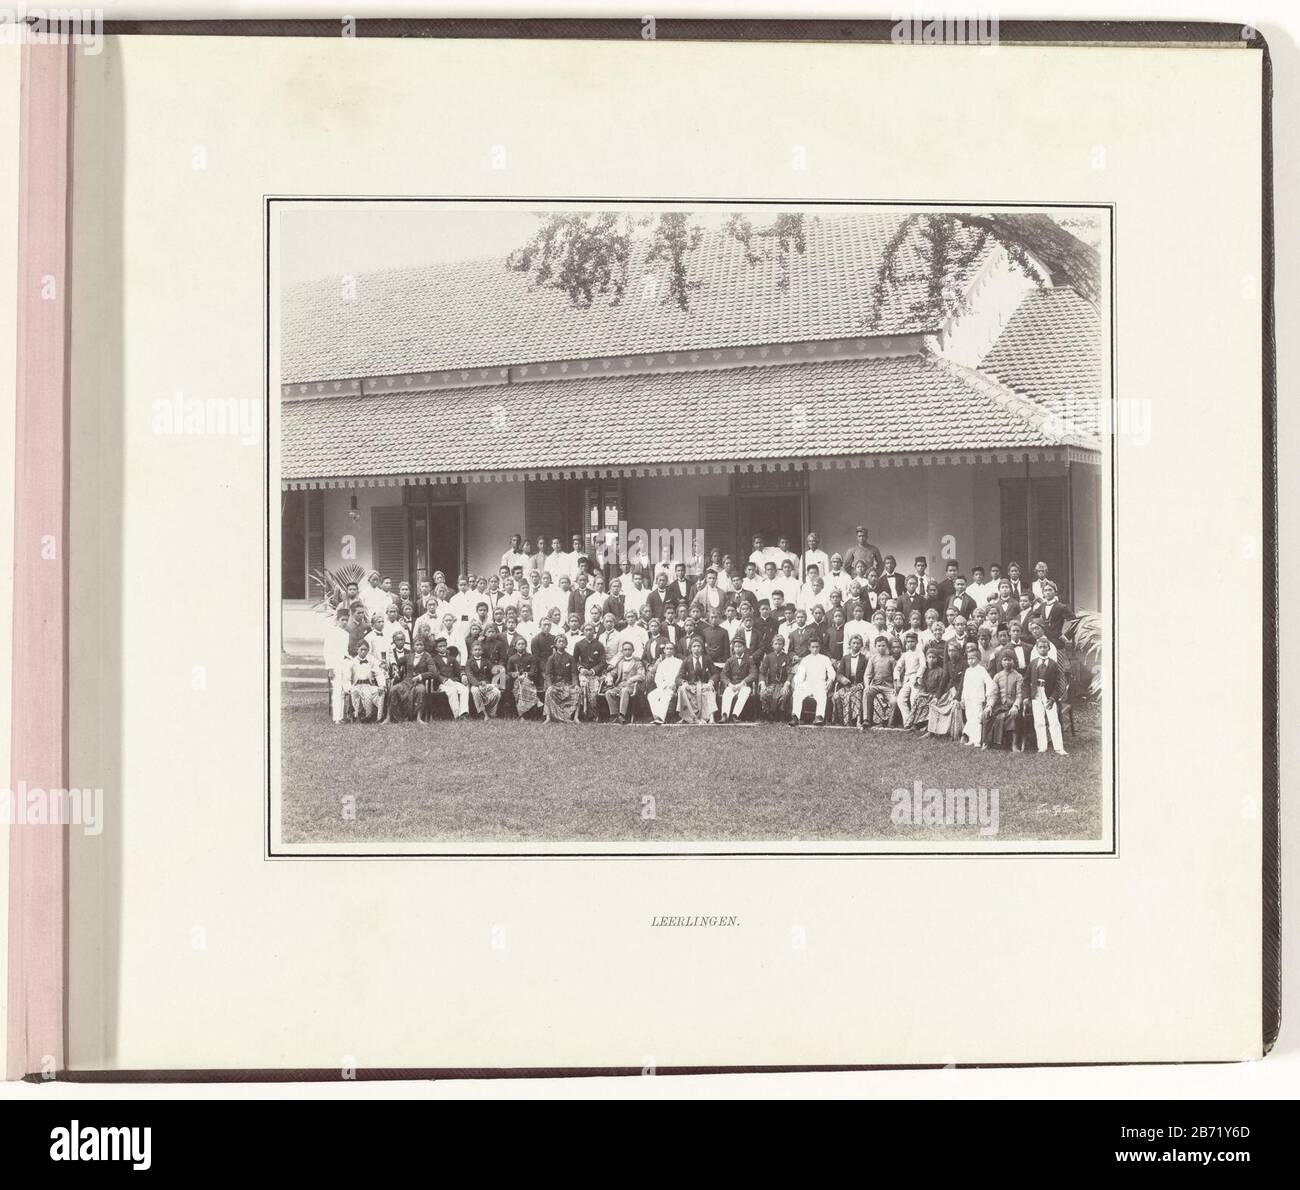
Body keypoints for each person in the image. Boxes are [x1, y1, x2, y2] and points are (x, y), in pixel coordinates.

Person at [1027, 635, 1069, 755]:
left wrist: (1053, 698)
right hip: (1036, 693)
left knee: (1053, 720)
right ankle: (1042, 746)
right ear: (1037, 649)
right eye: (1040, 647)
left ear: (1049, 649)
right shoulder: (1033, 663)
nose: (1043, 649)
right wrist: (1027, 696)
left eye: (1045, 647)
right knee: (1039, 720)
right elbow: (1026, 681)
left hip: (1049, 693)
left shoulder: (1053, 664)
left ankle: (1059, 747)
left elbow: (1058, 683)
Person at [790, 636, 836, 726]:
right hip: (808, 683)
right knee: (797, 693)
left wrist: (830, 679)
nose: (815, 649)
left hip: (820, 683)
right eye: (813, 647)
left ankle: (819, 717)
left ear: (820, 647)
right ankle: (795, 717)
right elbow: (800, 674)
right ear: (809, 648)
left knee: (821, 694)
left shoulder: (825, 658)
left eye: (817, 647)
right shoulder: (805, 660)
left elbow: (831, 671)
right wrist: (799, 683)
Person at [959, 644, 997, 747]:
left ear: (979, 659)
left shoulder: (981, 670)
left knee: (977, 719)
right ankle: (971, 738)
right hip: (968, 699)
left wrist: (988, 694)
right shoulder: (967, 671)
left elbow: (990, 683)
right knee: (970, 718)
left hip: (977, 698)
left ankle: (977, 740)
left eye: (973, 658)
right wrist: (963, 698)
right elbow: (964, 685)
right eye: (969, 659)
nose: (970, 661)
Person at [987, 649, 1025, 751]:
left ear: (1014, 661)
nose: (1007, 662)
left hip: (1013, 707)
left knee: (1013, 716)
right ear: (1001, 662)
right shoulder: (997, 676)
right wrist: (989, 706)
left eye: (1009, 660)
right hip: (1001, 707)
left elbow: (1019, 695)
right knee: (987, 714)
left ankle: (1014, 744)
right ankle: (987, 742)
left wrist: (1015, 706)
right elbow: (994, 694)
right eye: (1005, 660)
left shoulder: (1018, 676)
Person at [603, 640, 646, 724]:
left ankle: (622, 715)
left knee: (624, 691)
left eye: (629, 649)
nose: (627, 651)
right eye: (625, 649)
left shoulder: (638, 662)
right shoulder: (620, 662)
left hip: (632, 686)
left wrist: (631, 680)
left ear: (633, 650)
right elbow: (614, 672)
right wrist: (610, 676)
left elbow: (641, 675)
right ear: (622, 651)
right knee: (608, 692)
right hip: (620, 685)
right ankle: (614, 715)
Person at [676, 638, 717, 725]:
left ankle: (711, 717)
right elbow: (678, 677)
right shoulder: (687, 660)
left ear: (702, 648)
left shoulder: (707, 659)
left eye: (699, 646)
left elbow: (715, 673)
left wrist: (710, 682)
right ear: (690, 648)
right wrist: (685, 683)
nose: (696, 648)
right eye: (694, 646)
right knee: (682, 689)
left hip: (704, 685)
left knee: (710, 690)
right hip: (691, 686)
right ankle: (686, 717)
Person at [543, 634, 582, 723]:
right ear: (555, 644)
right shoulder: (551, 658)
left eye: (563, 642)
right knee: (549, 691)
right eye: (559, 642)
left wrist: (575, 684)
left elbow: (574, 673)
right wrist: (549, 685)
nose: (561, 643)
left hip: (567, 684)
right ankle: (548, 717)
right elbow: (548, 674)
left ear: (566, 644)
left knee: (577, 691)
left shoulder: (570, 658)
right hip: (555, 684)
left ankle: (576, 717)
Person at [323, 606, 352, 724]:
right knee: (337, 691)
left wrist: (348, 659)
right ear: (337, 620)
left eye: (346, 620)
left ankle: (342, 716)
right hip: (335, 665)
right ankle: (336, 718)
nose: (344, 622)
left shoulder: (346, 634)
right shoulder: (331, 632)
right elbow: (327, 651)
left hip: (344, 664)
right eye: (342, 620)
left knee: (344, 690)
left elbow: (344, 651)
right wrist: (329, 667)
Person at [832, 633, 868, 727]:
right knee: (836, 695)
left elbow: (868, 675)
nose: (856, 645)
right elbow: (838, 674)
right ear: (850, 644)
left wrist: (861, 685)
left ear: (861, 645)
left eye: (858, 643)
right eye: (854, 643)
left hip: (859, 685)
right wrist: (842, 678)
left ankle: (856, 720)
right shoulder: (845, 658)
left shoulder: (864, 659)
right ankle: (841, 720)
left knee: (854, 696)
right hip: (846, 685)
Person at [863, 634, 898, 728]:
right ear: (875, 647)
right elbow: (867, 674)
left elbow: (896, 675)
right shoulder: (873, 658)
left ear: (887, 646)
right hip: (876, 685)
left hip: (888, 686)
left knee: (894, 701)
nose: (881, 648)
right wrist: (867, 685)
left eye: (883, 645)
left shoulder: (891, 659)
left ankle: (891, 722)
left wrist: (895, 688)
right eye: (879, 646)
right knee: (867, 692)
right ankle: (866, 719)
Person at [719, 638, 756, 722]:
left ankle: (735, 715)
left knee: (744, 693)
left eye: (739, 646)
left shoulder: (749, 660)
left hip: (744, 685)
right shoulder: (730, 660)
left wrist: (743, 682)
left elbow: (753, 674)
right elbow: (723, 674)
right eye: (735, 646)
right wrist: (729, 684)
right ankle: (724, 715)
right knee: (727, 693)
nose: (737, 648)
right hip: (733, 685)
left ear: (744, 648)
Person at [347, 640, 385, 723]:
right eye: (361, 649)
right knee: (363, 694)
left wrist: (381, 685)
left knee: (381, 692)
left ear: (368, 650)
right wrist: (350, 688)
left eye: (365, 650)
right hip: (357, 686)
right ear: (357, 649)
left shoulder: (372, 660)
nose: (363, 652)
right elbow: (347, 678)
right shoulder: (352, 662)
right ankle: (362, 716)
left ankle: (379, 717)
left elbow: (379, 673)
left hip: (368, 685)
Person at [646, 643, 684, 725]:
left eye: (671, 649)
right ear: (664, 650)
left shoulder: (679, 662)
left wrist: (674, 685)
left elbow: (680, 676)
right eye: (667, 649)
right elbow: (658, 678)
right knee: (651, 695)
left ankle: (661, 719)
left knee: (666, 696)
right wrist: (662, 686)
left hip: (674, 687)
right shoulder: (661, 664)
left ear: (674, 650)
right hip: (663, 687)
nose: (669, 651)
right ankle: (656, 716)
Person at [758, 635, 793, 721]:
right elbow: (762, 672)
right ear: (772, 645)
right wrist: (762, 684)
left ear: (783, 645)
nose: (778, 646)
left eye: (780, 644)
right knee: (764, 694)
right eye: (776, 644)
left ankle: (781, 714)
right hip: (772, 684)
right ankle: (768, 713)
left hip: (782, 684)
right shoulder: (768, 657)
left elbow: (790, 673)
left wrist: (787, 684)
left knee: (784, 694)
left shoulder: (786, 657)